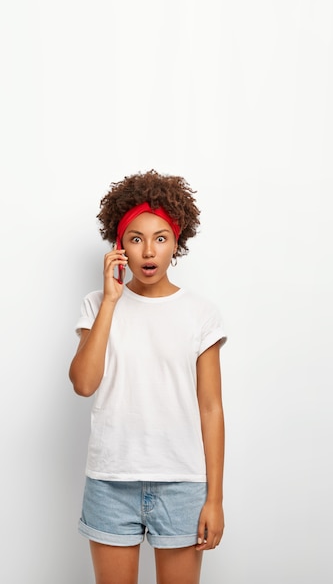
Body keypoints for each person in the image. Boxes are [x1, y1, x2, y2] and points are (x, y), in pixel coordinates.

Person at [69, 170, 226, 584]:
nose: (149, 251)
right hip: (110, 480)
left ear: (177, 242)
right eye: (135, 239)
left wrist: (215, 499)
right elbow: (83, 383)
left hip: (181, 482)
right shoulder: (97, 303)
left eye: (160, 238)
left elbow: (211, 408)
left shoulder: (200, 314)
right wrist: (110, 302)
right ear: (120, 247)